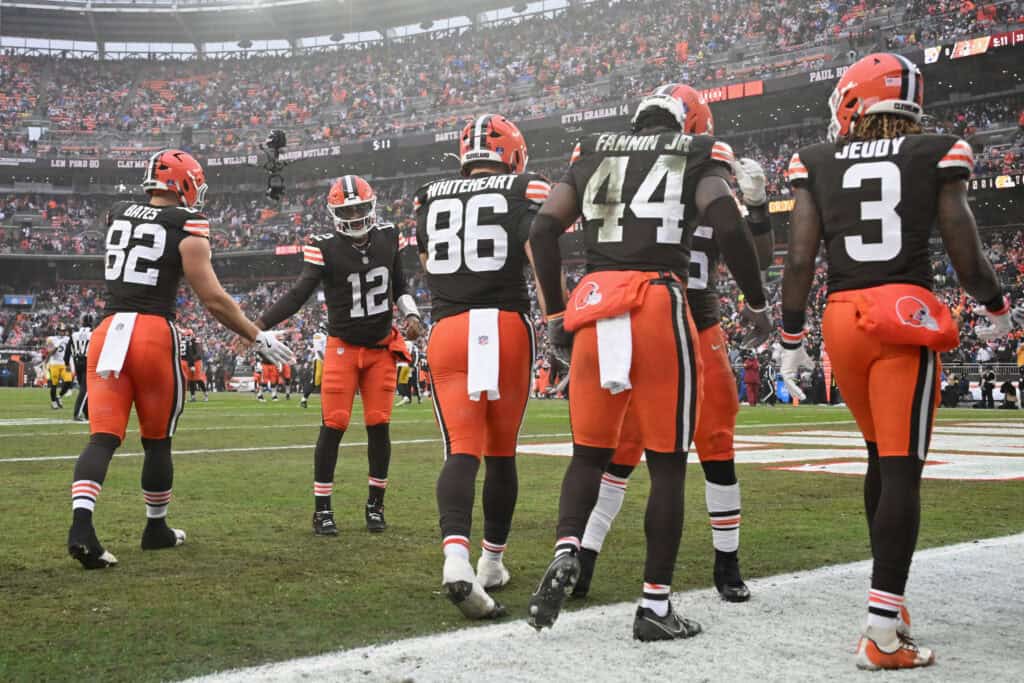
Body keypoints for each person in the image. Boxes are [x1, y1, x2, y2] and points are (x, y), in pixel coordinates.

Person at [780, 53, 1017, 669]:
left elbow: (800, 259)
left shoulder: (816, 159)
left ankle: (891, 603)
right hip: (901, 314)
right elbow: (964, 250)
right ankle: (882, 633)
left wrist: (789, 336)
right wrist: (996, 310)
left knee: (878, 460)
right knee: (901, 467)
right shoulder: (936, 151)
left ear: (855, 100)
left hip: (841, 316)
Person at [526, 86, 770, 640]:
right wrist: (757, 301)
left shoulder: (590, 151)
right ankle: (655, 606)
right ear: (683, 125)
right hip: (661, 302)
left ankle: (570, 547)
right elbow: (727, 227)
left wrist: (555, 316)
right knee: (666, 464)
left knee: (589, 455)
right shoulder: (694, 153)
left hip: (593, 302)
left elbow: (541, 229)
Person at [67, 149, 292, 569]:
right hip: (152, 333)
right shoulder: (188, 222)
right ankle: (156, 528)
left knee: (102, 437)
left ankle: (82, 528)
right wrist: (256, 335)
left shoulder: (118, 212)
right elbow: (212, 298)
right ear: (185, 182)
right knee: (157, 440)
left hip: (107, 331)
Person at [415, 114, 545, 619]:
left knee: (461, 449)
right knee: (502, 451)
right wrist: (557, 312)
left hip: (449, 328)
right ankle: (492, 561)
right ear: (512, 153)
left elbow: (427, 261)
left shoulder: (428, 194)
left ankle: (456, 560)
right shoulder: (522, 185)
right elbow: (539, 247)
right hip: (507, 324)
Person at [257, 175, 424, 535]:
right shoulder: (324, 247)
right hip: (343, 349)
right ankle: (322, 510)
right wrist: (257, 324)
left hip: (380, 349)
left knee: (379, 425)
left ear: (372, 206)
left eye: (360, 207)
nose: (355, 214)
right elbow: (299, 294)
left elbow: (400, 285)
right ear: (335, 212)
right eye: (347, 209)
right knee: (333, 425)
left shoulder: (389, 237)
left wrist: (411, 313)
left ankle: (376, 506)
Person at [70, 315, 93, 421]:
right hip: (87, 360)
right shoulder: (93, 333)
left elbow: (69, 349)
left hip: (76, 361)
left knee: (83, 388)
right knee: (85, 389)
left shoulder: (74, 334)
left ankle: (87, 413)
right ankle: (77, 413)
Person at [45, 324, 73, 409]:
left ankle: (59, 397)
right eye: (61, 331)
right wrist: (56, 346)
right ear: (57, 331)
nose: (62, 332)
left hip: (64, 363)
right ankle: (53, 402)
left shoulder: (68, 339)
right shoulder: (51, 339)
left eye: (64, 331)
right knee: (54, 384)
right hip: (54, 363)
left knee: (68, 381)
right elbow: (50, 352)